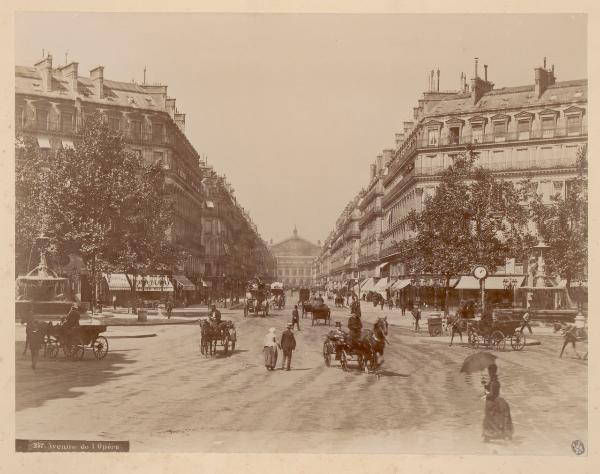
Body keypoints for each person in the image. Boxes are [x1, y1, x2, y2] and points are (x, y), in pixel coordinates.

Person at [482, 364, 514, 442]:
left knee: (490, 419)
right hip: (494, 401)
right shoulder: (493, 381)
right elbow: (491, 390)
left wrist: (486, 393)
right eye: (489, 371)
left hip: (493, 402)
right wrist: (485, 386)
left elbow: (492, 394)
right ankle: (492, 435)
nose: (489, 372)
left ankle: (491, 435)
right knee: (493, 419)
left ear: (493, 371)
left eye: (490, 371)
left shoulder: (494, 382)